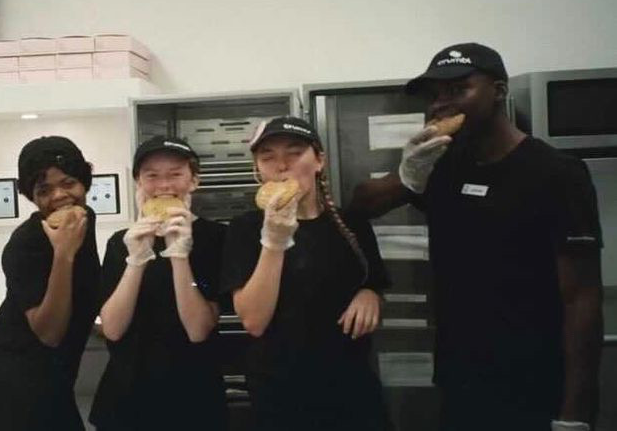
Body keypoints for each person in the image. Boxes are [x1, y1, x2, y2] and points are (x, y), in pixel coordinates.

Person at [350, 43, 604, 431]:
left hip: (534, 383)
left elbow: (582, 299)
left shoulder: (557, 173)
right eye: (435, 95)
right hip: (459, 378)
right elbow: (361, 206)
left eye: (458, 90)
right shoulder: (443, 166)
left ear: (499, 91)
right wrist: (407, 174)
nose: (441, 104)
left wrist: (576, 413)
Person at [221, 116, 392, 431]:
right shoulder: (244, 229)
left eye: (294, 152)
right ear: (258, 169)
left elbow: (374, 283)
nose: (281, 165)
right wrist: (273, 240)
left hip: (350, 386)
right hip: (280, 392)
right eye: (267, 156)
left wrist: (370, 296)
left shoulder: (351, 222)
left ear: (319, 160)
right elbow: (254, 321)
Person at [89, 136, 227, 431]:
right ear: (138, 183)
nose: (164, 185)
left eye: (175, 174)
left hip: (195, 400)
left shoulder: (216, 238)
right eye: (152, 176)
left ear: (194, 181)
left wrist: (180, 256)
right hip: (126, 400)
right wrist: (137, 258)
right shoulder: (121, 242)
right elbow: (112, 328)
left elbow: (199, 329)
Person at [0, 136, 100, 431]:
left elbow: (82, 287)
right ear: (32, 197)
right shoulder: (24, 244)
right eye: (44, 190)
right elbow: (50, 333)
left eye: (68, 183)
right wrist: (63, 253)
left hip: (56, 383)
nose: (59, 196)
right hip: (14, 390)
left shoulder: (83, 220)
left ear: (84, 182)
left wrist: (90, 325)